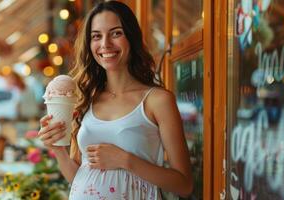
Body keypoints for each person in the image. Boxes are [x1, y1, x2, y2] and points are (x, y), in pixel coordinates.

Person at [38, 1, 193, 199]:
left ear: (132, 38)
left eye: (116, 33)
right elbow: (79, 177)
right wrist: (57, 149)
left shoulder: (157, 100)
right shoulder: (85, 99)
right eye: (96, 36)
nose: (105, 44)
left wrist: (125, 160)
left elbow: (184, 184)